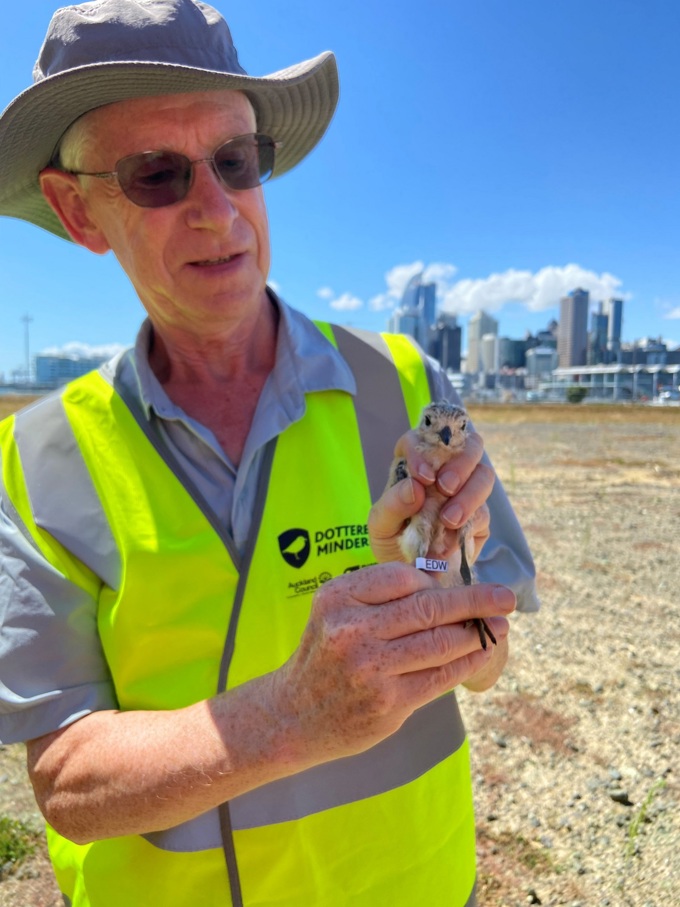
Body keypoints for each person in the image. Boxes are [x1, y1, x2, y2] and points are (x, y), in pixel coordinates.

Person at [0, 2, 539, 905]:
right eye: (156, 175)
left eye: (236, 161)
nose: (217, 210)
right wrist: (287, 716)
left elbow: (490, 654)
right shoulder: (41, 454)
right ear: (75, 208)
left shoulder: (403, 378)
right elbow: (66, 780)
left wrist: (453, 602)